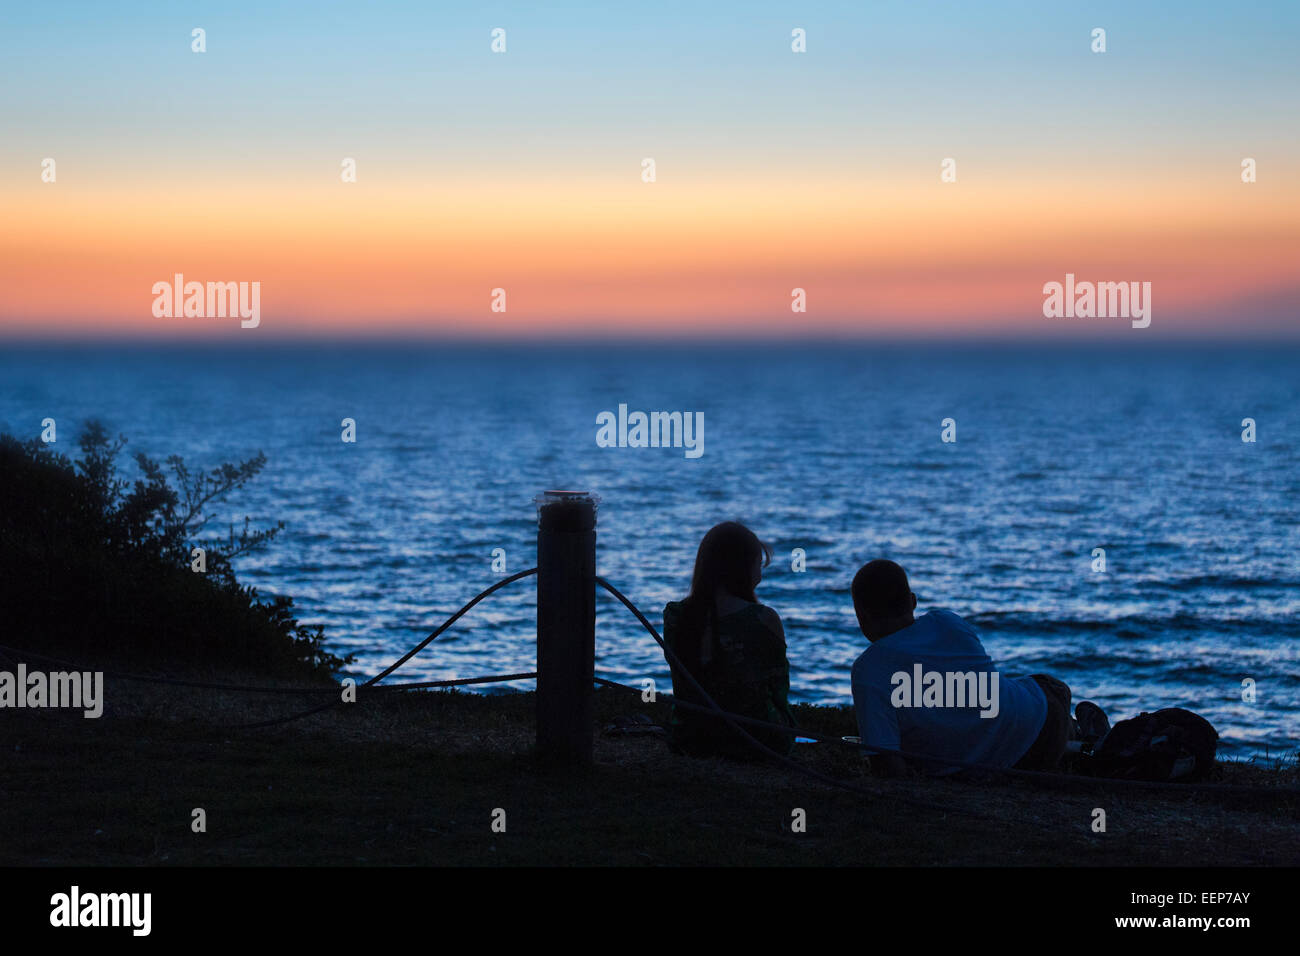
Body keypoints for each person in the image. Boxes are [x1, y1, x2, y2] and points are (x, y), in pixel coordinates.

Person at [849, 559, 1072, 776]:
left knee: (1040, 689)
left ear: (863, 615)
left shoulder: (868, 670)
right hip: (1041, 726)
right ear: (913, 601)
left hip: (1012, 762)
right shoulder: (947, 621)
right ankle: (1084, 733)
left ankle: (1084, 735)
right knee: (1048, 687)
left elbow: (886, 765)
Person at [662, 522, 796, 759]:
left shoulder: (675, 615)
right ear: (742, 568)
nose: (761, 576)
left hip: (690, 737)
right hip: (757, 742)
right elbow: (778, 690)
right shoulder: (764, 619)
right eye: (758, 565)